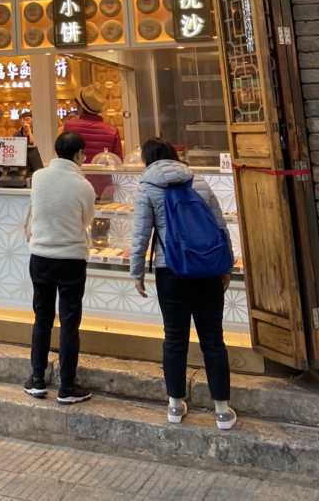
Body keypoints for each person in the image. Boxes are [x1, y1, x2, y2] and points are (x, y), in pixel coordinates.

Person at [130, 138, 237, 431]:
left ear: (147, 160)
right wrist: (225, 266)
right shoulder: (198, 181)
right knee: (213, 340)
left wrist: (137, 272)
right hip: (206, 269)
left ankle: (175, 405)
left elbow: (140, 234)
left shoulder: (147, 186)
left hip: (171, 271)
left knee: (175, 339)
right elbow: (220, 226)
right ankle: (222, 411)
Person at [24, 131, 95, 404]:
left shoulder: (38, 177)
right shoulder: (84, 186)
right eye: (83, 153)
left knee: (42, 318)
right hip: (71, 260)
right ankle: (66, 387)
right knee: (69, 324)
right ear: (78, 154)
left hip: (40, 256)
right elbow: (86, 220)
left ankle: (37, 380)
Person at [61, 85, 122, 197]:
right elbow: (118, 163)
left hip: (76, 185)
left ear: (80, 106)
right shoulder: (112, 131)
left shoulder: (70, 126)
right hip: (104, 189)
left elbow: (64, 160)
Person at [16, 110, 43, 174]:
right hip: (22, 159)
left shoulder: (37, 132)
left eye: (28, 119)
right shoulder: (16, 134)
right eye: (24, 120)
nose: (26, 122)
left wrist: (29, 131)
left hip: (34, 158)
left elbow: (32, 143)